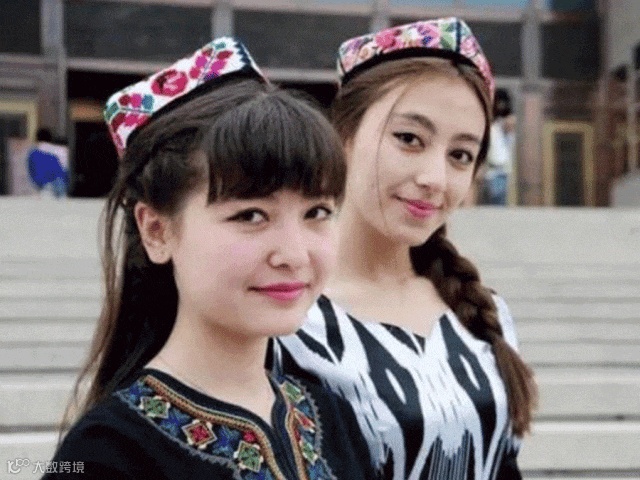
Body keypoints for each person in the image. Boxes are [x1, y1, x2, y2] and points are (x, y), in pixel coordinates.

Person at [44, 37, 377, 479]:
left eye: (317, 212)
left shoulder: (333, 416)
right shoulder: (105, 454)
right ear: (156, 230)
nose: (295, 255)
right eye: (251, 215)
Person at [273, 18, 537, 480]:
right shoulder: (283, 318)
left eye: (460, 155)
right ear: (343, 135)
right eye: (409, 139)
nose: (435, 178)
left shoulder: (484, 313)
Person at [482, 89, 516, 206]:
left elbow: (510, 123)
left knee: (500, 199)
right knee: (494, 197)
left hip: (503, 166)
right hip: (492, 167)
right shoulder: (492, 126)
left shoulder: (507, 126)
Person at [27, 128, 68, 198]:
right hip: (61, 183)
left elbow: (31, 171)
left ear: (37, 138)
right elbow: (66, 168)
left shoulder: (34, 153)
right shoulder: (61, 150)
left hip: (44, 185)